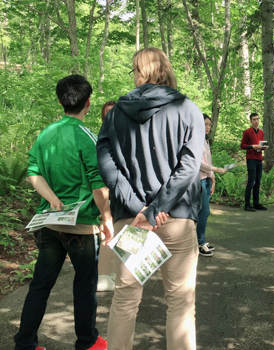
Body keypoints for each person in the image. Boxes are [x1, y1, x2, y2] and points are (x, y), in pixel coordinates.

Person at [96, 47, 204, 350]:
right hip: (176, 219)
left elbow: (106, 163)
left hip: (134, 221)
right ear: (165, 69)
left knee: (126, 297)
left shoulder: (116, 113)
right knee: (181, 301)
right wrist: (159, 206)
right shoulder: (188, 109)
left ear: (138, 72)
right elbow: (190, 166)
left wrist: (137, 206)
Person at [14, 75, 112, 350]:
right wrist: (107, 219)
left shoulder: (46, 134)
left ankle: (25, 343)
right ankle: (87, 342)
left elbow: (33, 172)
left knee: (40, 284)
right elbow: (98, 185)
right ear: (88, 103)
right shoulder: (87, 137)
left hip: (49, 224)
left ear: (60, 101)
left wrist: (53, 200)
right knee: (84, 285)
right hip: (81, 226)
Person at [198, 114, 226, 257]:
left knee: (204, 211)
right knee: (204, 211)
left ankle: (201, 240)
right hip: (200, 180)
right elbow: (199, 164)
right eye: (205, 124)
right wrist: (215, 169)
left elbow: (208, 159)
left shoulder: (205, 141)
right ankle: (199, 242)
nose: (207, 127)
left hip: (207, 179)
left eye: (209, 124)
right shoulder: (195, 141)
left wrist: (213, 178)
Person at [97, 101, 117, 292]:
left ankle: (117, 273)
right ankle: (103, 276)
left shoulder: (127, 135)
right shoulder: (100, 138)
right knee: (107, 231)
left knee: (124, 232)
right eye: (107, 114)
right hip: (104, 192)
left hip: (123, 194)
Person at [240, 112, 267, 211]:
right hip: (251, 159)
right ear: (251, 121)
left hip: (259, 158)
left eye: (257, 119)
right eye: (254, 119)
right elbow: (242, 145)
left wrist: (263, 147)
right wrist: (252, 146)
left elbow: (262, 143)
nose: (256, 121)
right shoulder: (247, 132)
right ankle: (247, 204)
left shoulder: (261, 132)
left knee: (258, 182)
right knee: (251, 181)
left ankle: (256, 203)